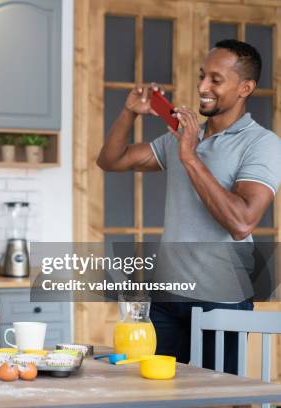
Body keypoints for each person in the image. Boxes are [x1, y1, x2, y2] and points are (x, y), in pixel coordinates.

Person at [97, 39, 280, 373]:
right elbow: (111, 160)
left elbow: (241, 222)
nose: (201, 87)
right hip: (168, 296)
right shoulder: (182, 137)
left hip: (222, 299)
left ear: (245, 88)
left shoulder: (262, 144)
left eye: (215, 79)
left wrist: (189, 156)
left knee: (214, 395)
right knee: (157, 389)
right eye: (201, 76)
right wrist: (128, 113)